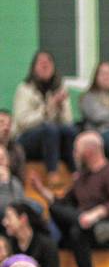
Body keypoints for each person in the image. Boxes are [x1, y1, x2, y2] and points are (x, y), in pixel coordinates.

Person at [30, 131, 109, 267]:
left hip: (106, 225)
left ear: (88, 152)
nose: (74, 154)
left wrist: (94, 215)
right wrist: (41, 190)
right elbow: (62, 202)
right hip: (82, 224)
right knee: (56, 211)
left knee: (78, 230)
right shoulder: (82, 177)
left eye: (77, 149)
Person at [12, 51, 77, 185]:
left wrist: (61, 107)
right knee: (50, 129)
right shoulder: (24, 89)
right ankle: (52, 174)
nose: (45, 66)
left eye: (48, 63)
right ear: (33, 67)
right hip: (27, 139)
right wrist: (47, 110)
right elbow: (22, 122)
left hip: (52, 141)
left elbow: (68, 122)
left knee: (71, 131)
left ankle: (76, 173)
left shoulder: (60, 87)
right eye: (41, 63)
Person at [0, 109, 27, 181]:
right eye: (1, 123)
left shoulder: (17, 149)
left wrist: (8, 178)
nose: (6, 128)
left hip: (10, 188)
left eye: (9, 124)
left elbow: (21, 179)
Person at [0, 144, 25, 215]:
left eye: (2, 158)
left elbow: (18, 207)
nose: (0, 162)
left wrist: (5, 182)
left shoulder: (15, 181)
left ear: (8, 161)